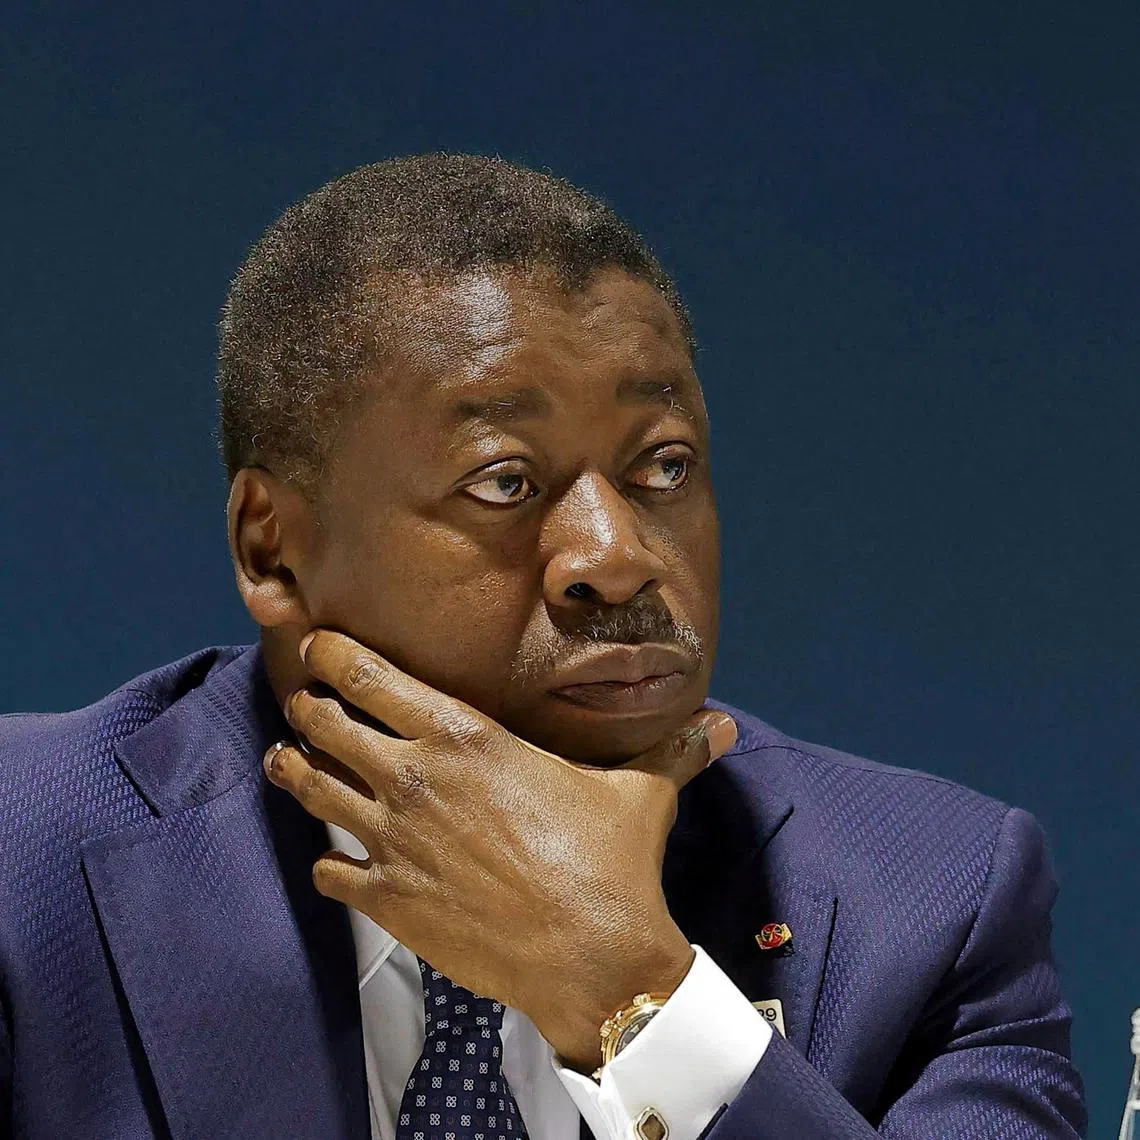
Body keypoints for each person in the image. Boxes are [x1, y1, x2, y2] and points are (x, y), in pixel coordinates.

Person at [0, 154, 1086, 1140]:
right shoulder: (22, 859)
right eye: (505, 481)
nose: (615, 558)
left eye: (663, 467)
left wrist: (631, 992)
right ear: (271, 549)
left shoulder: (933, 901)